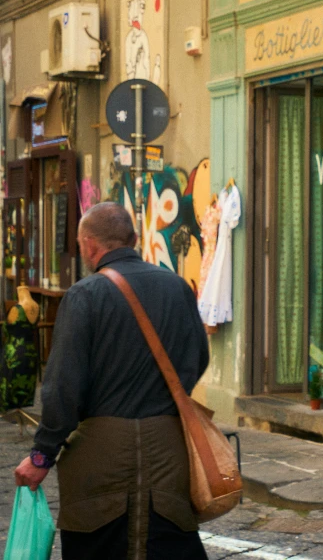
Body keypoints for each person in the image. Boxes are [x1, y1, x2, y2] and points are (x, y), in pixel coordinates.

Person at [14, 202, 210, 560]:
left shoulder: (84, 295)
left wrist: (42, 455)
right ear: (133, 239)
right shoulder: (178, 288)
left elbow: (62, 389)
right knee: (167, 542)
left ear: (89, 245)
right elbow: (198, 359)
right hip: (169, 450)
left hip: (99, 458)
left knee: (100, 544)